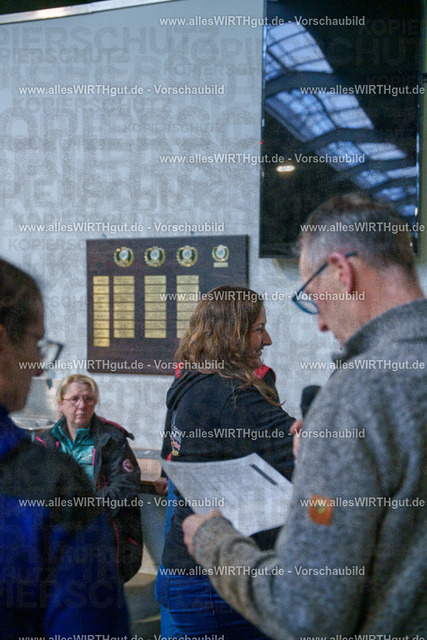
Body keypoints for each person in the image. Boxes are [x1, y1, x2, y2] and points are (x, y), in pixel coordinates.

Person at [182, 194, 427, 639]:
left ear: (342, 270)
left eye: (312, 298)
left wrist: (214, 541)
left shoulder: (356, 395)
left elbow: (307, 612)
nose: (320, 323)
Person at [155, 285, 295, 640]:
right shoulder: (233, 396)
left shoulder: (194, 381)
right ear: (232, 334)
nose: (267, 340)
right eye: (258, 330)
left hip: (187, 571)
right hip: (211, 582)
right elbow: (303, 461)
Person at [0, 257, 130, 637]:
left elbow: (123, 488)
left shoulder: (111, 439)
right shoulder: (48, 479)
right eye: (36, 343)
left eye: (88, 399)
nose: (40, 366)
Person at [37, 374, 143, 583]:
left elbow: (125, 483)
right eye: (74, 399)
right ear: (60, 404)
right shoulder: (45, 442)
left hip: (100, 529)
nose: (81, 405)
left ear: (95, 403)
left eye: (88, 399)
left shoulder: (111, 437)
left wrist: (87, 510)